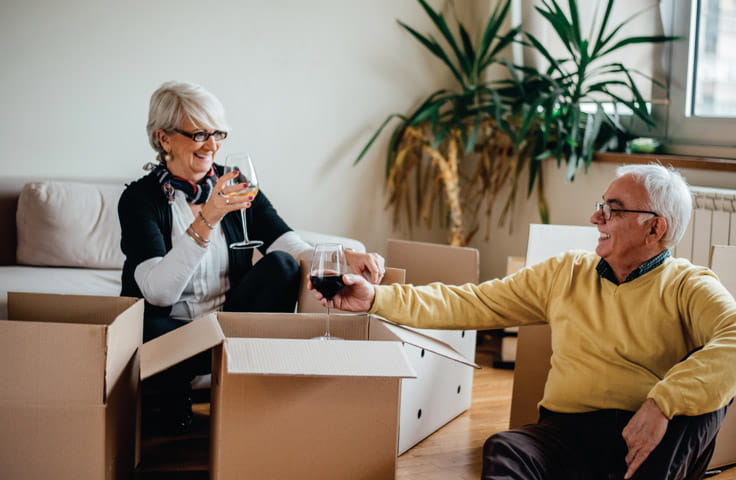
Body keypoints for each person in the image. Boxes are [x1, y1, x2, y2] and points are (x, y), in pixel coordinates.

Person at [314, 163, 736, 479]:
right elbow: (474, 302)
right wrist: (377, 297)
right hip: (567, 431)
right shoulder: (565, 273)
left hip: (644, 438)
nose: (595, 218)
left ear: (654, 227)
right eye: (599, 207)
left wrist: (664, 402)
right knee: (505, 449)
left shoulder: (687, 284)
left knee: (707, 403)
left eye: (612, 210)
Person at [119, 80, 385, 433]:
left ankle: (247, 390)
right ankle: (176, 392)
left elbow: (286, 242)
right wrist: (208, 217)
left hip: (230, 323)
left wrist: (343, 257)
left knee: (282, 266)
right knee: (148, 334)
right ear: (164, 138)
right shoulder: (140, 199)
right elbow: (159, 293)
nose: (212, 146)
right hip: (168, 332)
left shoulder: (234, 183)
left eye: (218, 134)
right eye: (199, 134)